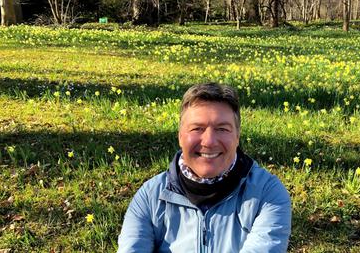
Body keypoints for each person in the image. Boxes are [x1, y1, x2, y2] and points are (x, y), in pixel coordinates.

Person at [118, 82, 291, 252]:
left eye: (222, 129)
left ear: (237, 136)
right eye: (197, 129)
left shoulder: (268, 194)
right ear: (180, 136)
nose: (209, 141)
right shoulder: (150, 197)